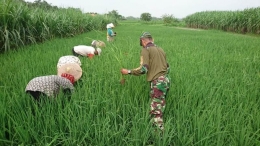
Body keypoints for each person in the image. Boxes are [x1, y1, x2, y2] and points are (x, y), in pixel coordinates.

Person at [120, 32, 170, 133]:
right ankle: (158, 130)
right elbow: (167, 66)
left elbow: (144, 69)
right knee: (160, 105)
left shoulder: (145, 49)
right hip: (165, 80)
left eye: (141, 42)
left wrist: (129, 71)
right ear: (152, 39)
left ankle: (159, 137)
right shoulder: (161, 49)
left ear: (143, 41)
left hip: (157, 82)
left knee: (156, 111)